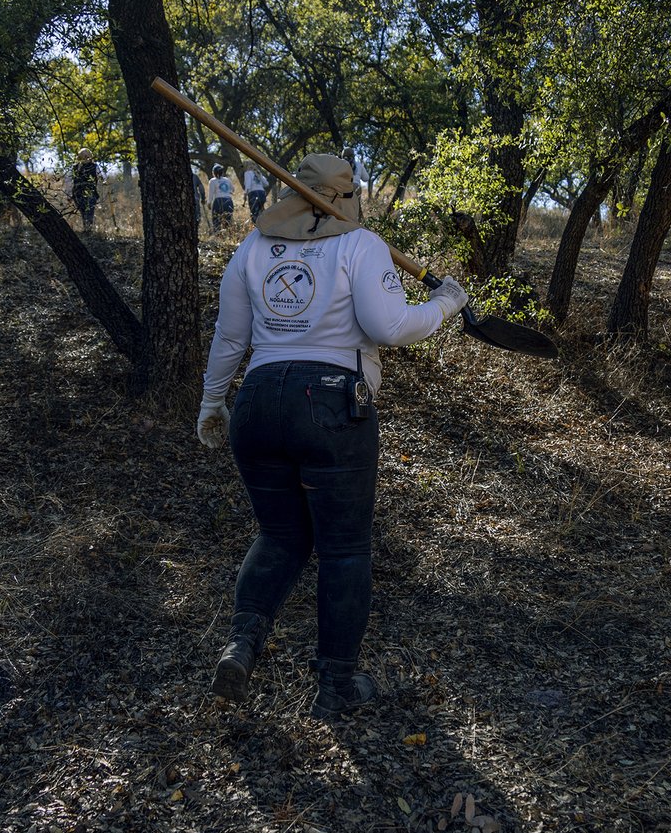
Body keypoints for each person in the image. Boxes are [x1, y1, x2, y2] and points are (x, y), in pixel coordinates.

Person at [195, 153, 469, 720]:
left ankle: (242, 644)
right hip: (330, 403)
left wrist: (212, 401)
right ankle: (336, 684)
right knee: (343, 548)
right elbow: (389, 326)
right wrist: (446, 302)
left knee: (280, 535)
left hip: (259, 401)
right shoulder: (360, 245)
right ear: (347, 197)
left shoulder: (252, 248)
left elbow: (229, 337)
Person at [71, 148, 101, 231]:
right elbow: (71, 181)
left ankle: (88, 230)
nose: (85, 157)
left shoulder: (95, 166)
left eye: (87, 155)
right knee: (83, 213)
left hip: (91, 193)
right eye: (82, 156)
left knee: (89, 212)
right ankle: (86, 229)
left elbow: (101, 177)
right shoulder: (75, 167)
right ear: (79, 157)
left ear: (90, 156)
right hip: (78, 194)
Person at [207, 163, 236, 235]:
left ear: (213, 172)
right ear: (222, 172)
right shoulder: (227, 180)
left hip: (218, 201)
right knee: (228, 220)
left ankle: (218, 235)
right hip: (228, 201)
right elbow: (233, 189)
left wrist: (209, 203)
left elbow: (211, 193)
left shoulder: (212, 181)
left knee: (216, 220)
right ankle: (228, 235)